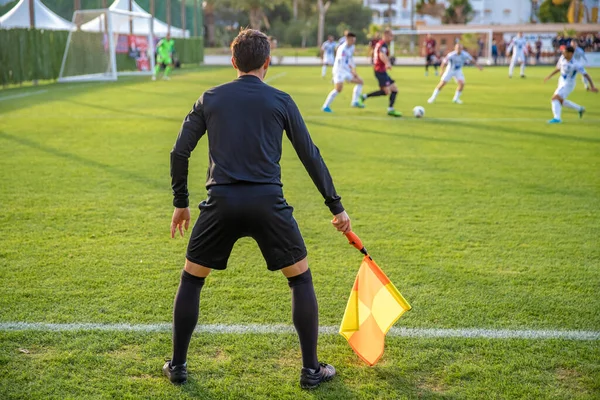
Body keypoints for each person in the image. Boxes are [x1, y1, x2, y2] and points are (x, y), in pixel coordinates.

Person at [165, 28, 351, 389]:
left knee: (191, 280)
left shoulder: (210, 97)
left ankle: (178, 366)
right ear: (267, 63)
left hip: (220, 204)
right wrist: (336, 207)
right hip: (268, 203)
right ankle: (311, 371)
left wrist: (180, 203)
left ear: (233, 62)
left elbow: (179, 151)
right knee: (300, 279)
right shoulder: (281, 100)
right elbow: (310, 155)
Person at [544, 46, 597, 124]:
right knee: (559, 100)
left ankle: (557, 118)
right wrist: (550, 76)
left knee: (554, 98)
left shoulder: (576, 64)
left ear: (571, 53)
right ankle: (580, 109)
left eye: (565, 52)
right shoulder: (562, 58)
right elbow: (559, 68)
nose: (563, 53)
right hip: (561, 81)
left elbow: (586, 75)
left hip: (568, 84)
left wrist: (592, 86)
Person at [358, 29, 402, 117]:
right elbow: (382, 54)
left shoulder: (379, 43)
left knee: (390, 90)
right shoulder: (383, 44)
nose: (392, 38)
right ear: (385, 35)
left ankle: (364, 97)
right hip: (380, 70)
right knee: (390, 90)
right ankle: (390, 109)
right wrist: (387, 63)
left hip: (380, 70)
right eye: (390, 36)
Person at [322, 32, 364, 112]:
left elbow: (350, 59)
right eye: (352, 40)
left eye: (354, 40)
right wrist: (351, 72)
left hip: (346, 71)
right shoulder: (342, 49)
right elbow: (341, 63)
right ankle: (325, 106)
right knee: (338, 89)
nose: (353, 42)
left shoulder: (351, 47)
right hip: (339, 71)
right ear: (347, 39)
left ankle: (354, 102)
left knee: (360, 82)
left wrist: (353, 69)